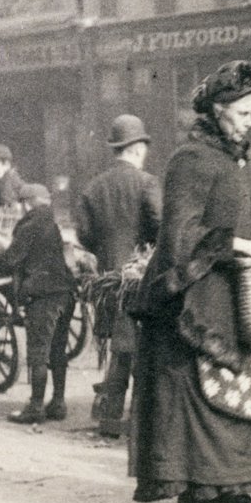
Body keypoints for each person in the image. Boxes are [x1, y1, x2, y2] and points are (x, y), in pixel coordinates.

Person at [130, 60, 251, 503]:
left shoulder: (238, 163)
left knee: (236, 391)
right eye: (243, 114)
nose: (250, 122)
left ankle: (235, 486)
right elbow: (179, 235)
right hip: (189, 296)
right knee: (196, 397)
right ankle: (197, 494)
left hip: (233, 291)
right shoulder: (189, 160)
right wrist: (240, 245)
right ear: (217, 111)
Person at [76, 114, 162, 439]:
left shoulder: (93, 188)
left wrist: (104, 248)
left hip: (107, 283)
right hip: (139, 280)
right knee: (141, 351)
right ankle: (141, 425)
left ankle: (111, 419)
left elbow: (84, 235)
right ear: (138, 148)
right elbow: (160, 225)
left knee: (119, 349)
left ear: (117, 149)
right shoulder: (147, 183)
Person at [0, 183, 78, 424]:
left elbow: (11, 259)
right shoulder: (52, 224)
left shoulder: (28, 225)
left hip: (42, 296)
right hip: (64, 293)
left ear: (26, 204)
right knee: (58, 349)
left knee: (38, 353)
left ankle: (35, 407)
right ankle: (58, 403)